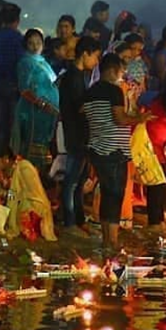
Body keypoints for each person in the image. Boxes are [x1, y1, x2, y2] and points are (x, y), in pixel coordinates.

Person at [82, 53, 151, 248]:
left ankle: (107, 238)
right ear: (112, 70)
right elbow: (119, 119)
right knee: (115, 195)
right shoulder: (113, 91)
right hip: (114, 149)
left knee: (106, 193)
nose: (123, 76)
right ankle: (111, 240)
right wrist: (140, 119)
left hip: (97, 148)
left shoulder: (90, 91)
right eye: (121, 71)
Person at [58, 37, 101, 233]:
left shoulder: (80, 75)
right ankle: (69, 222)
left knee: (80, 179)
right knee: (72, 180)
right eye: (95, 57)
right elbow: (80, 107)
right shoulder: (72, 77)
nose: (96, 62)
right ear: (85, 54)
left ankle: (78, 219)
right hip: (75, 133)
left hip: (81, 133)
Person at [0, 146, 56, 242]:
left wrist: (3, 194)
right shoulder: (6, 171)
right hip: (18, 203)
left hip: (33, 210)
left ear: (5, 159)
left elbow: (17, 196)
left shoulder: (23, 167)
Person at [11, 29, 59, 169]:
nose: (35, 46)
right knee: (32, 146)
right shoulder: (25, 62)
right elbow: (24, 89)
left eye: (38, 42)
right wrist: (42, 104)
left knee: (44, 145)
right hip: (33, 111)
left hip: (47, 113)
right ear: (26, 45)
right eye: (31, 43)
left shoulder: (43, 61)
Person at [0, 3, 25, 149]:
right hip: (15, 85)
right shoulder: (19, 39)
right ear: (17, 21)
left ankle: (0, 156)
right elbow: (22, 63)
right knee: (14, 125)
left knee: (2, 124)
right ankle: (12, 157)